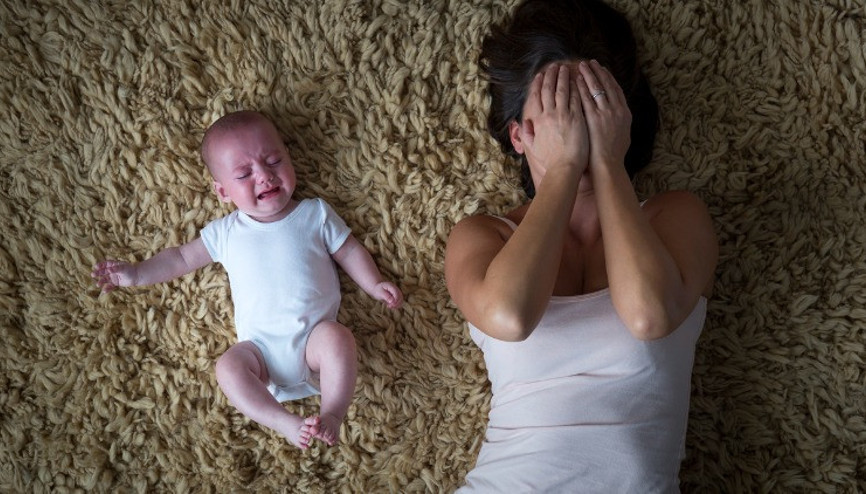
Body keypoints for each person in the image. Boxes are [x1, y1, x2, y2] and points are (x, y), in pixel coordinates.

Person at [445, 0, 718, 491]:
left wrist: (609, 165)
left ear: (623, 119)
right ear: (519, 136)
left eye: (593, 104)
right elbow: (510, 315)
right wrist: (565, 170)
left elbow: (650, 315)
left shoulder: (676, 217)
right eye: (558, 111)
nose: (578, 124)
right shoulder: (481, 236)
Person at [92, 110, 403, 450]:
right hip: (261, 356)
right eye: (244, 174)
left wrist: (373, 284)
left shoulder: (314, 213)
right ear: (223, 192)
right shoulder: (227, 232)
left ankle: (332, 414)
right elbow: (181, 257)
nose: (264, 176)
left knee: (338, 338)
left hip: (314, 344)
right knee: (227, 367)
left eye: (273, 160)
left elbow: (348, 251)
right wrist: (137, 274)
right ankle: (283, 421)